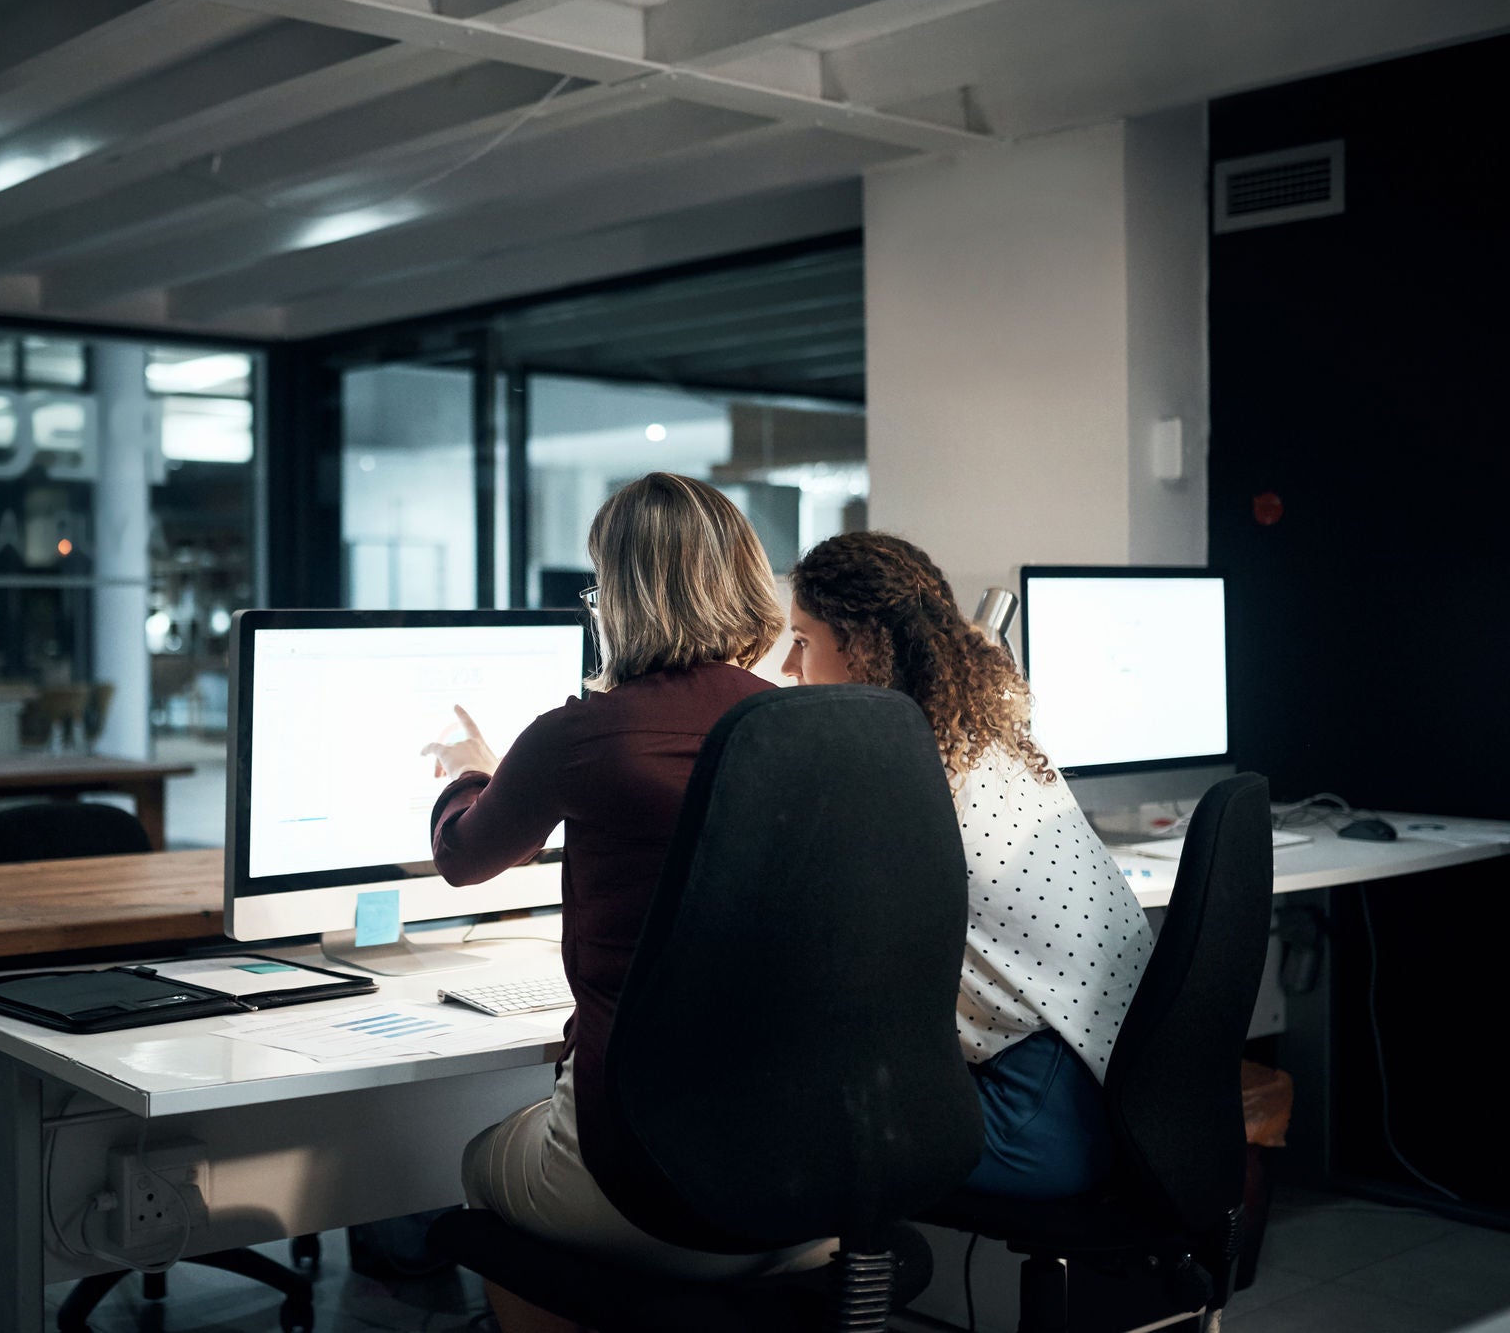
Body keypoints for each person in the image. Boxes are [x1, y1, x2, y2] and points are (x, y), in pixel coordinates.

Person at [419, 473, 826, 1330]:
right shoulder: (800, 727)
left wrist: (473, 770)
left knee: (473, 1161)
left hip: (645, 1180)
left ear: (619, 597)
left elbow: (463, 855)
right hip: (809, 1172)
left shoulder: (582, 734)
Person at [782, 531, 1155, 1199]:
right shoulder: (984, 738)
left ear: (860, 645)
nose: (787, 665)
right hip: (1123, 1095)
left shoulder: (904, 777)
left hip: (1044, 1118)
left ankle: (835, 1299)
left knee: (785, 1117)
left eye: (803, 639)